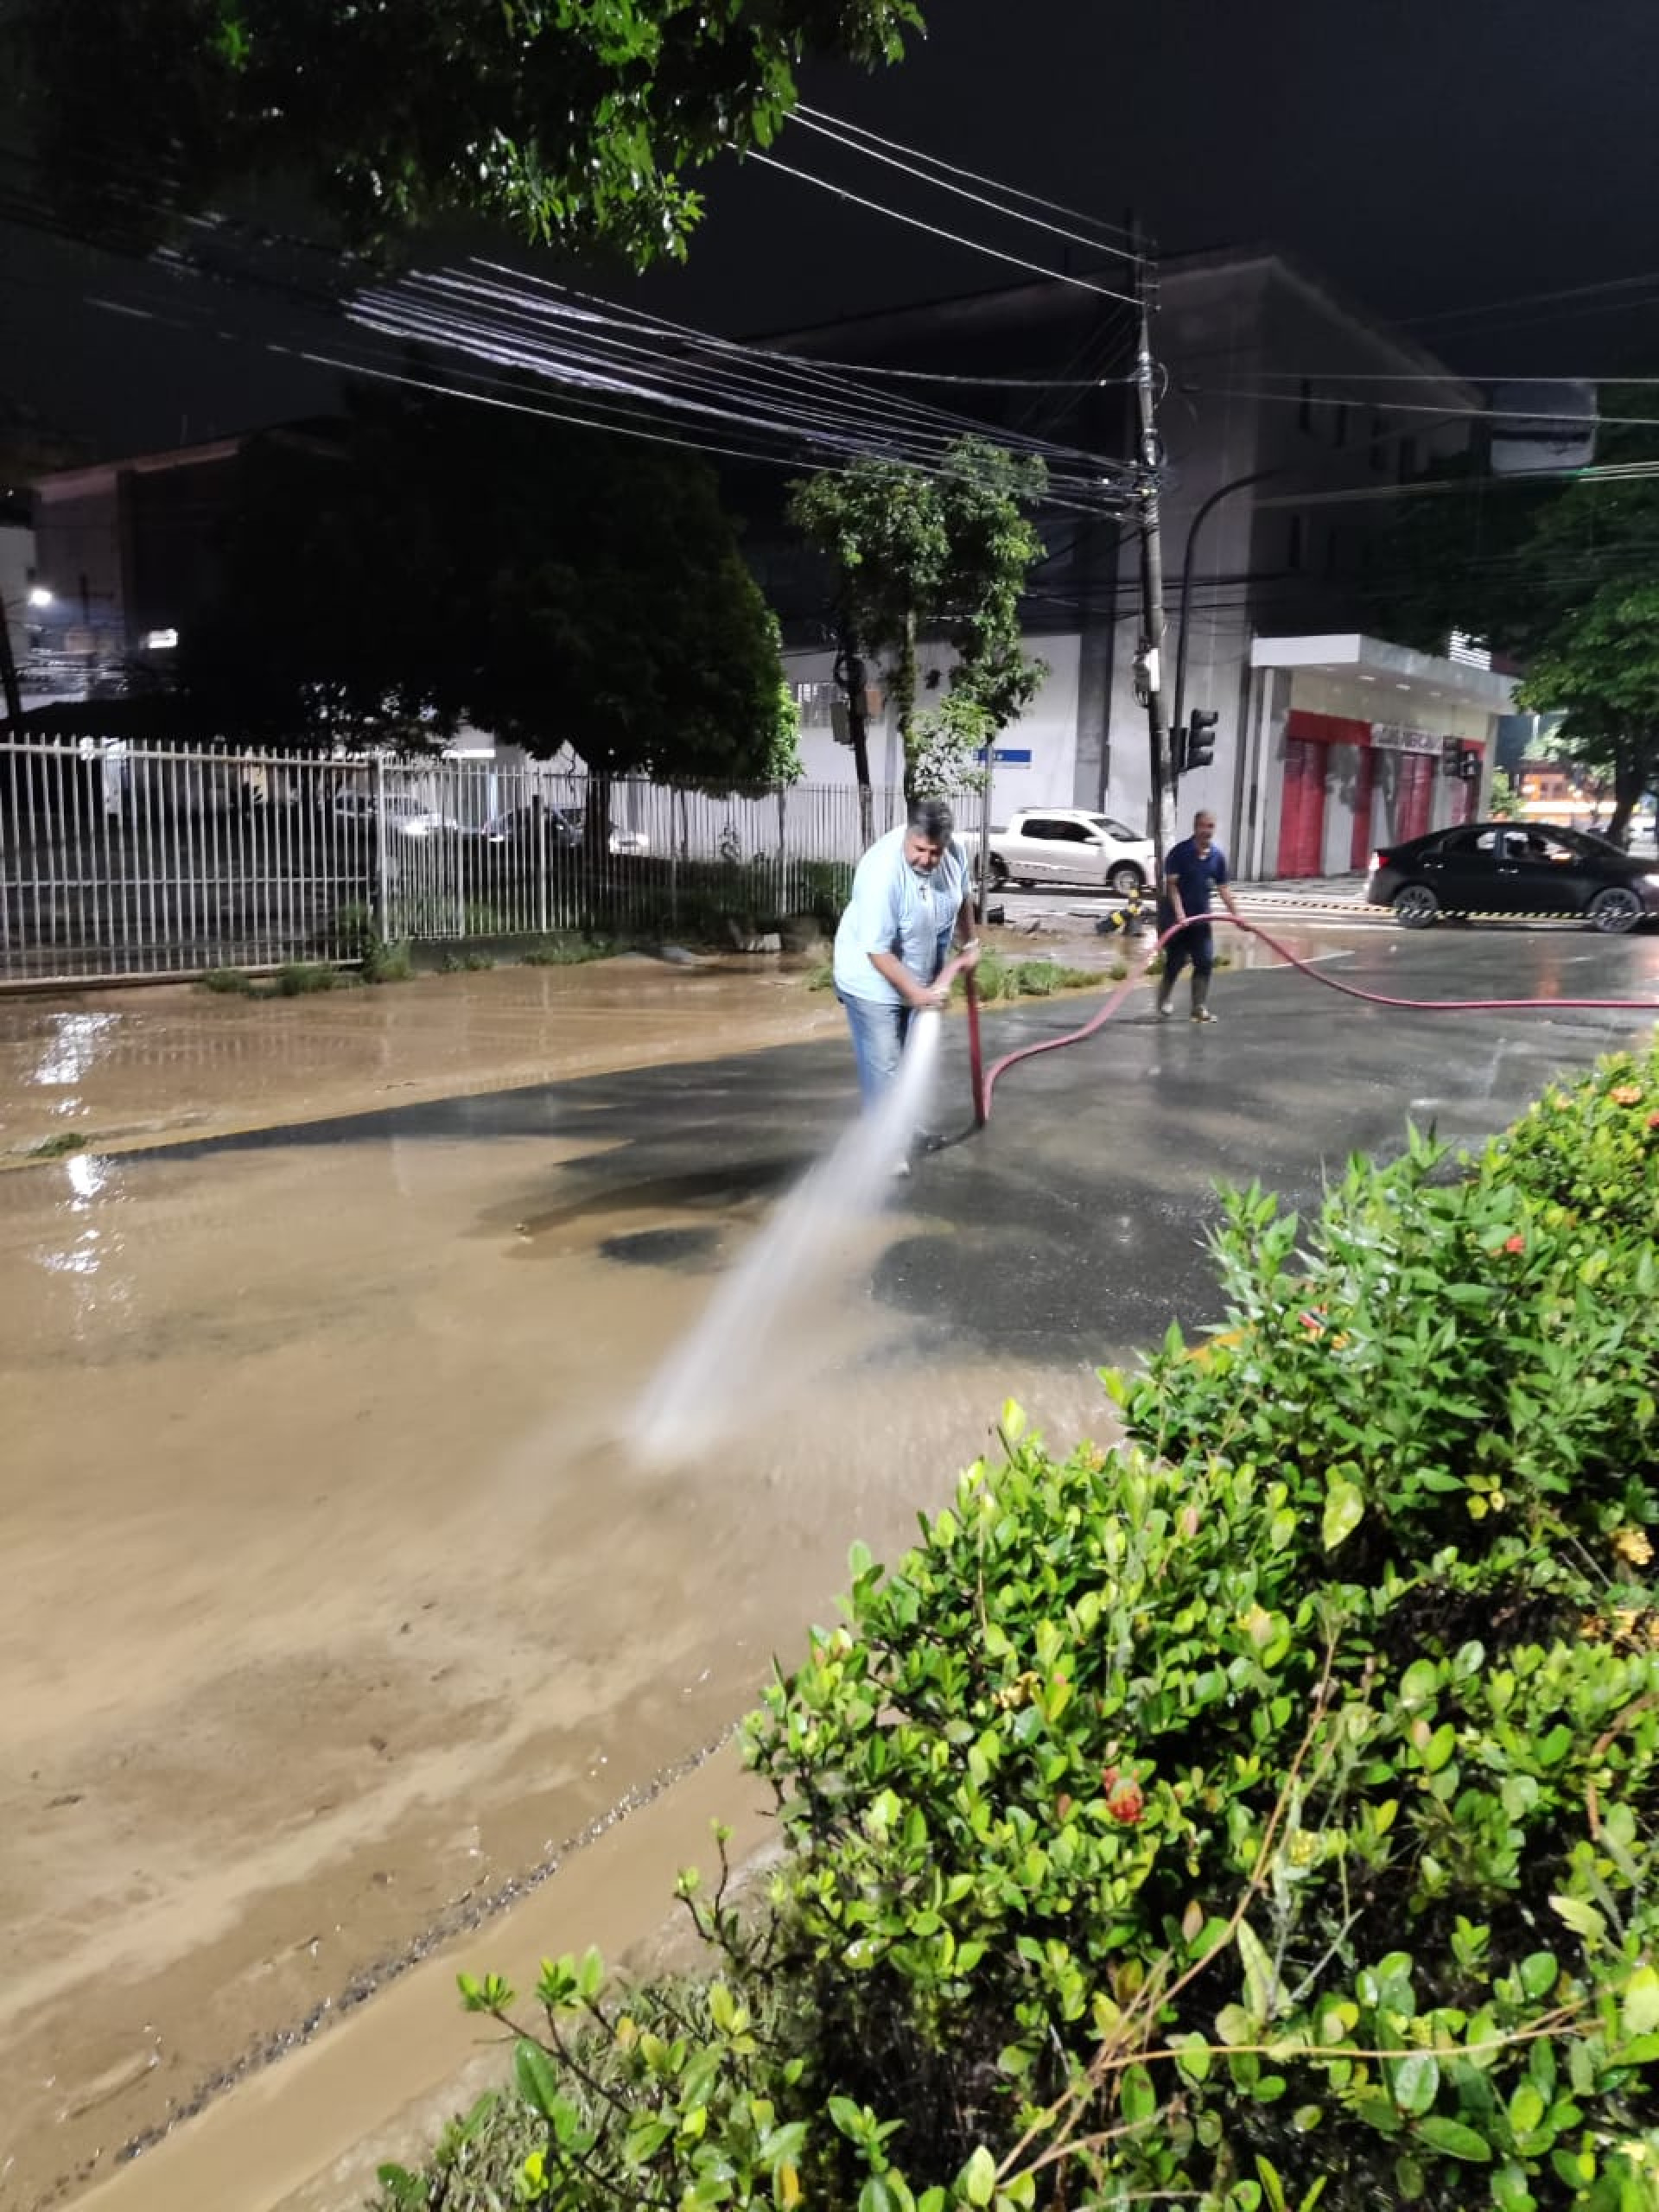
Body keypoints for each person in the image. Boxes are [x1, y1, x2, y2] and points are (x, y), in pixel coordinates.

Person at [833, 798, 981, 1162]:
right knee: (885, 1063)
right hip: (871, 980)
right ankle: (883, 1149)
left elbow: (963, 899)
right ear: (908, 835)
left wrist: (970, 943)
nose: (927, 860)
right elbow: (877, 951)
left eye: (935, 852)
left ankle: (903, 1132)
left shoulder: (955, 855)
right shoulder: (882, 872)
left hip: (921, 978)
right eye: (920, 850)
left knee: (910, 1058)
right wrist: (915, 992)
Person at [1156, 808, 1244, 1021]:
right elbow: (1173, 887)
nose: (1207, 831)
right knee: (1176, 961)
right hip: (1177, 919)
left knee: (1204, 961)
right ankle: (1164, 997)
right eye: (1204, 826)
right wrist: (1180, 914)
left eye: (1211, 826)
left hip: (1201, 919)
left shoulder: (1217, 858)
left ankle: (1199, 1007)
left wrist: (1238, 917)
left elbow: (1223, 889)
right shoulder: (1180, 853)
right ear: (1196, 828)